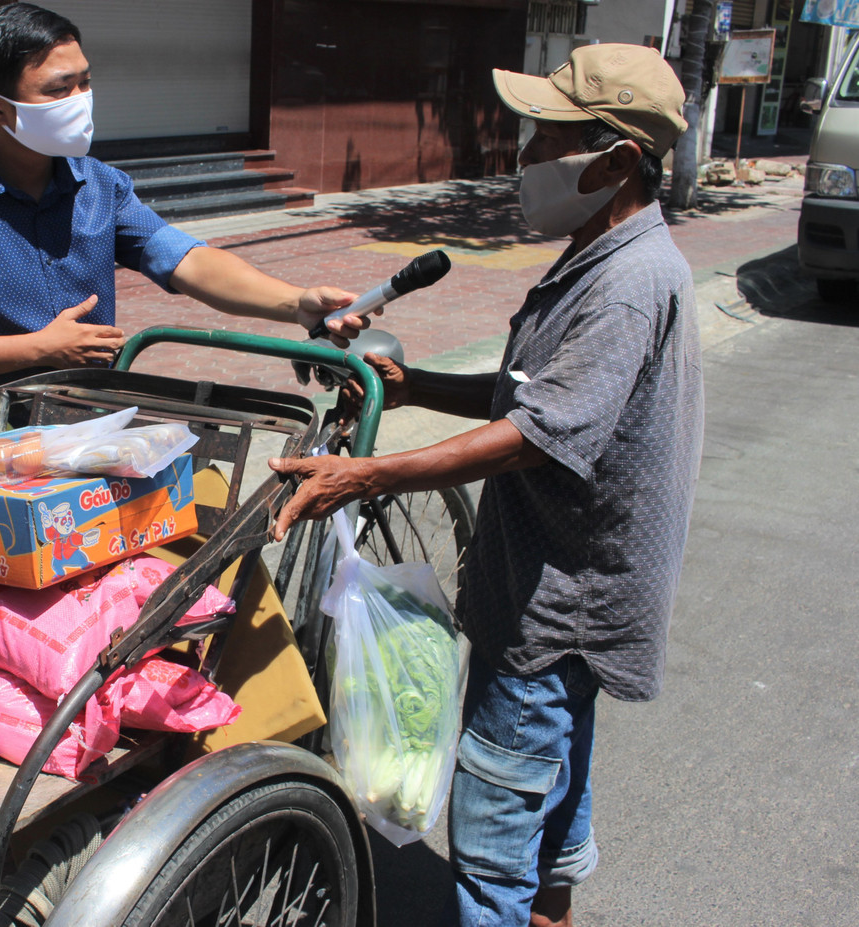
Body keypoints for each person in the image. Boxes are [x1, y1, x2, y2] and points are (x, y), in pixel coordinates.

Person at [269, 44, 704, 927]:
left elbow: (533, 438)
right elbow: (529, 394)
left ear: (616, 160)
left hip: (559, 607)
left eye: (547, 138)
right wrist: (414, 384)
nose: (526, 156)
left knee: (493, 843)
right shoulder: (601, 250)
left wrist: (366, 472)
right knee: (553, 788)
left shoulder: (624, 284)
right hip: (579, 591)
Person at [0, 2, 370, 405]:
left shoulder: (101, 186)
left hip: (102, 413)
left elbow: (186, 260)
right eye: (58, 89)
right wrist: (39, 349)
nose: (81, 99)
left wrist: (297, 303)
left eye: (85, 82)